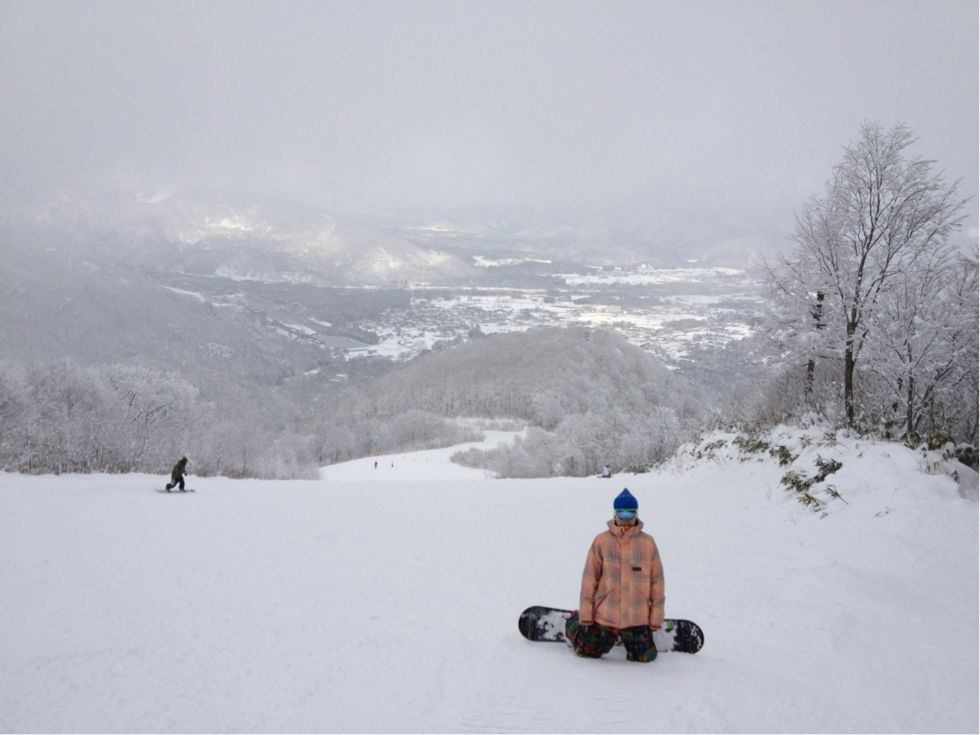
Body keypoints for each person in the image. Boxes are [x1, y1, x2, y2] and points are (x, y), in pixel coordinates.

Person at [566, 488, 665, 662]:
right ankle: (572, 622)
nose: (626, 518)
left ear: (636, 514)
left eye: (630, 513)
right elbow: (590, 578)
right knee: (586, 651)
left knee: (646, 657)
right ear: (614, 514)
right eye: (621, 513)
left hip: (636, 617)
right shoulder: (602, 541)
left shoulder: (648, 543)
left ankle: (627, 637)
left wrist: (656, 613)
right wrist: (586, 613)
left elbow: (657, 581)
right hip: (605, 615)